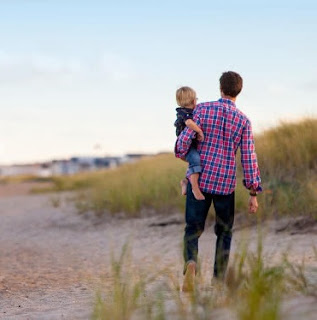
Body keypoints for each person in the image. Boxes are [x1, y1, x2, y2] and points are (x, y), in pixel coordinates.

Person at [174, 71, 262, 291]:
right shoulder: (243, 120)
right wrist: (253, 192)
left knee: (192, 229)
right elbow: (249, 157)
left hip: (201, 181)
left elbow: (182, 144)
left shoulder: (202, 109)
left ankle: (191, 263)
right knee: (224, 232)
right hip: (225, 184)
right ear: (238, 91)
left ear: (220, 88)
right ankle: (219, 281)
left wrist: (183, 149)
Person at [174, 86, 205, 201]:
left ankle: (185, 182)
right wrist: (199, 130)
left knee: (195, 163)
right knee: (195, 160)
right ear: (193, 101)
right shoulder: (184, 113)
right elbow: (189, 123)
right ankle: (195, 188)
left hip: (191, 145)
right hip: (186, 147)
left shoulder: (191, 111)